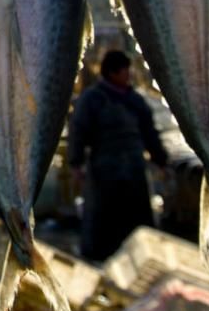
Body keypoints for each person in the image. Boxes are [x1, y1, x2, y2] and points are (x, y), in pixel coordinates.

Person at [67, 50, 169, 261]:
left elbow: (150, 133)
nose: (129, 75)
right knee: (104, 220)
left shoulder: (135, 100)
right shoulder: (92, 99)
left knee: (136, 219)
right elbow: (78, 131)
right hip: (105, 169)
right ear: (112, 72)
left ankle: (140, 257)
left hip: (134, 168)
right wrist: (75, 164)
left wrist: (161, 161)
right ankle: (101, 257)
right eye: (125, 71)